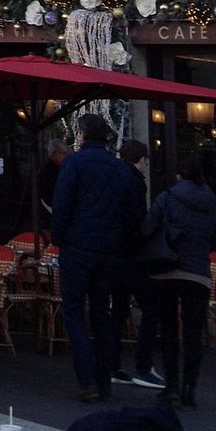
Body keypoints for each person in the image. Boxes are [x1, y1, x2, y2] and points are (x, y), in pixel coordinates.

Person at [51, 113, 143, 402]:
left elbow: (62, 203)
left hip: (78, 247)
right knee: (102, 314)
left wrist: (59, 238)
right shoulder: (120, 169)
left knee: (75, 313)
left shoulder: (74, 163)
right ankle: (104, 379)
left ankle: (87, 379)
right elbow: (133, 214)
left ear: (82, 135)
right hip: (109, 252)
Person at [146, 155, 216, 406]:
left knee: (169, 330)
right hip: (198, 271)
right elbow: (212, 238)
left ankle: (172, 385)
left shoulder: (167, 198)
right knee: (193, 332)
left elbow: (148, 228)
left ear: (179, 175)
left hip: (168, 268)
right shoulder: (211, 204)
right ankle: (190, 386)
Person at [109, 139, 164, 388]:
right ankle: (143, 365)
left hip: (113, 252)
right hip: (131, 255)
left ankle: (111, 364)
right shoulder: (135, 183)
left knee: (118, 309)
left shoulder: (113, 177)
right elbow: (136, 220)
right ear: (141, 159)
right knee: (152, 306)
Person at [38, 137, 70, 223]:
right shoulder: (47, 171)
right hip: (50, 216)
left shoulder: (62, 168)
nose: (67, 156)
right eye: (64, 153)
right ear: (54, 154)